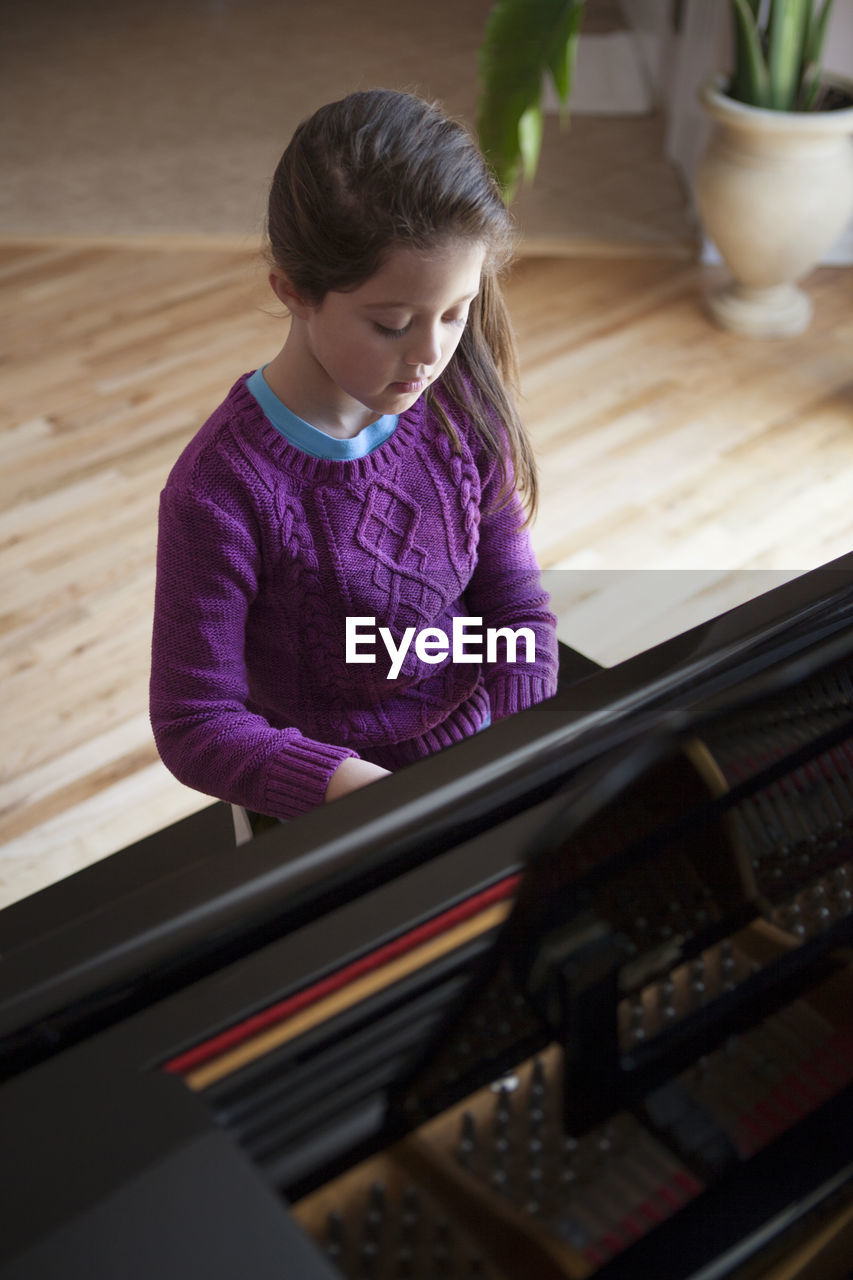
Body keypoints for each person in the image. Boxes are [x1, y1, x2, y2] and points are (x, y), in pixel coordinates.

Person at [150, 88, 559, 823]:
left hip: (475, 759)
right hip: (331, 804)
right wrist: (361, 796)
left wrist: (520, 745)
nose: (432, 354)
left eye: (457, 311)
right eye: (391, 323)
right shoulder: (217, 491)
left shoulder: (461, 402)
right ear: (294, 291)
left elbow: (517, 610)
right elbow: (195, 721)